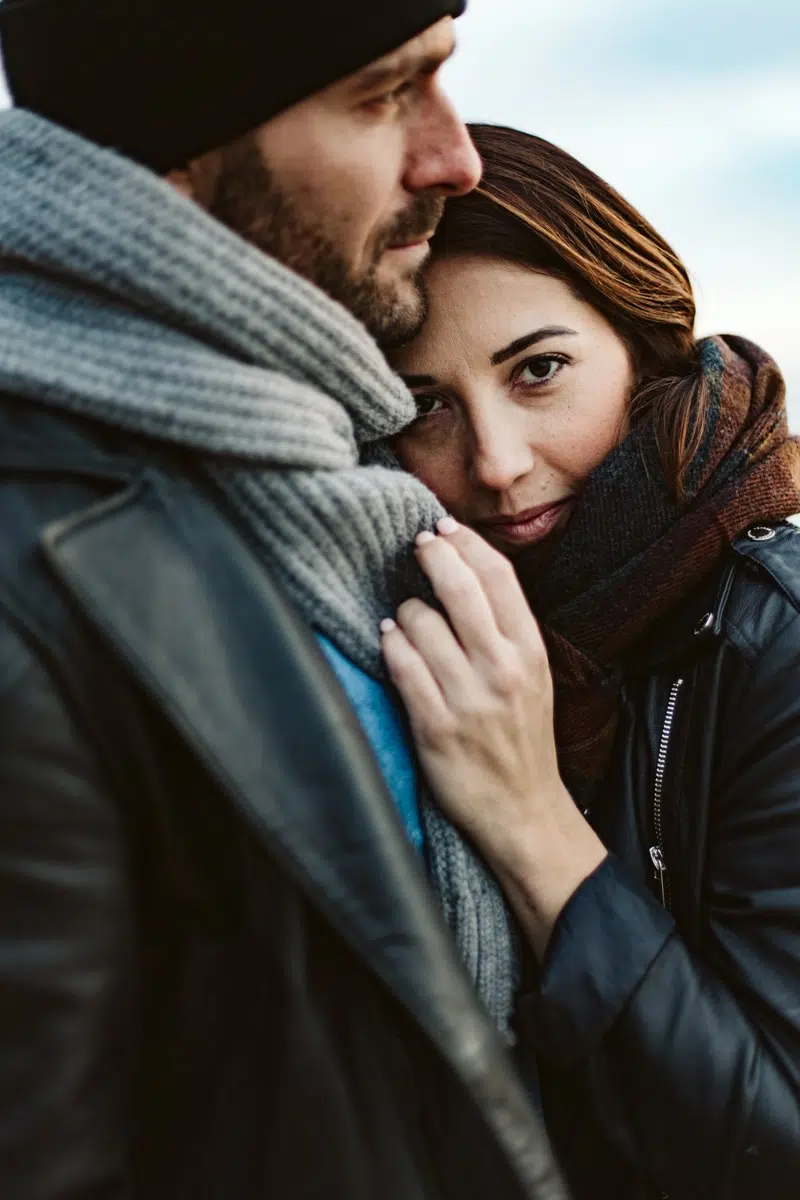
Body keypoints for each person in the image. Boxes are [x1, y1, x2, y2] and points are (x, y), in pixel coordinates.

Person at [0, 5, 566, 1194]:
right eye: (378, 95)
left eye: (440, 80)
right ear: (178, 147)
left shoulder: (349, 484)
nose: (452, 157)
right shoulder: (36, 569)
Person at [384, 124, 800, 1200]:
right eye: (423, 407)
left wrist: (527, 819)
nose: (494, 463)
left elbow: (772, 1149)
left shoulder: (773, 640)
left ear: (643, 342)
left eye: (538, 371)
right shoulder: (436, 628)